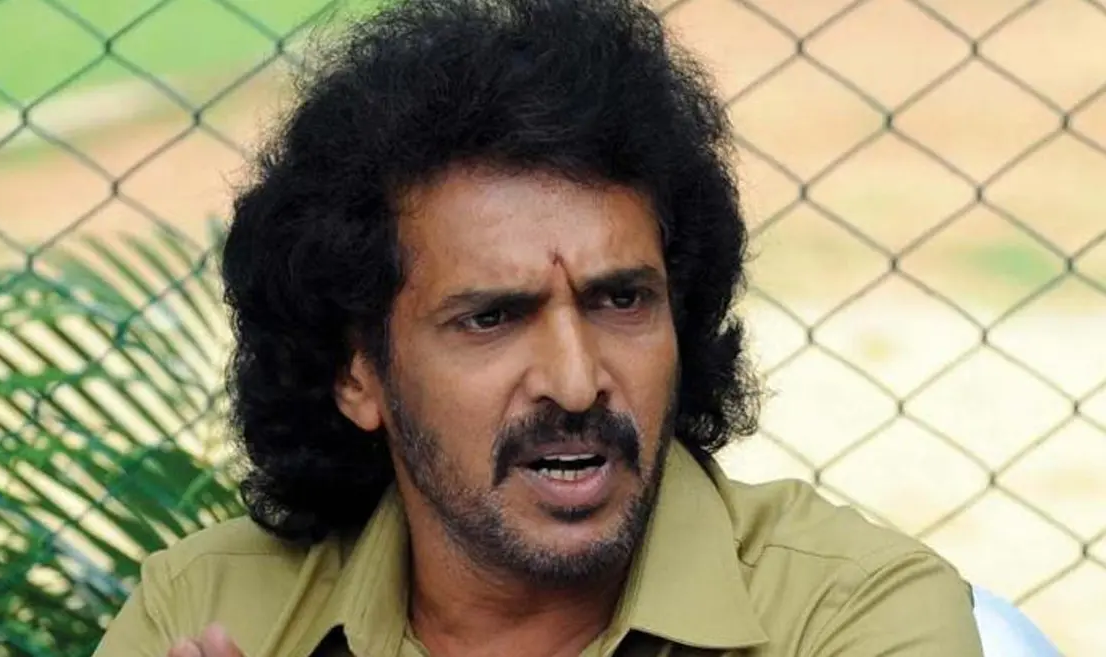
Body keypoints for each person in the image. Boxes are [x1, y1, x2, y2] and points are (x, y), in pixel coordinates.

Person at [93, 0, 984, 655]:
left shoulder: (852, 612)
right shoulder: (206, 607)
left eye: (621, 301)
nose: (576, 379)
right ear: (357, 371)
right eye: (492, 317)